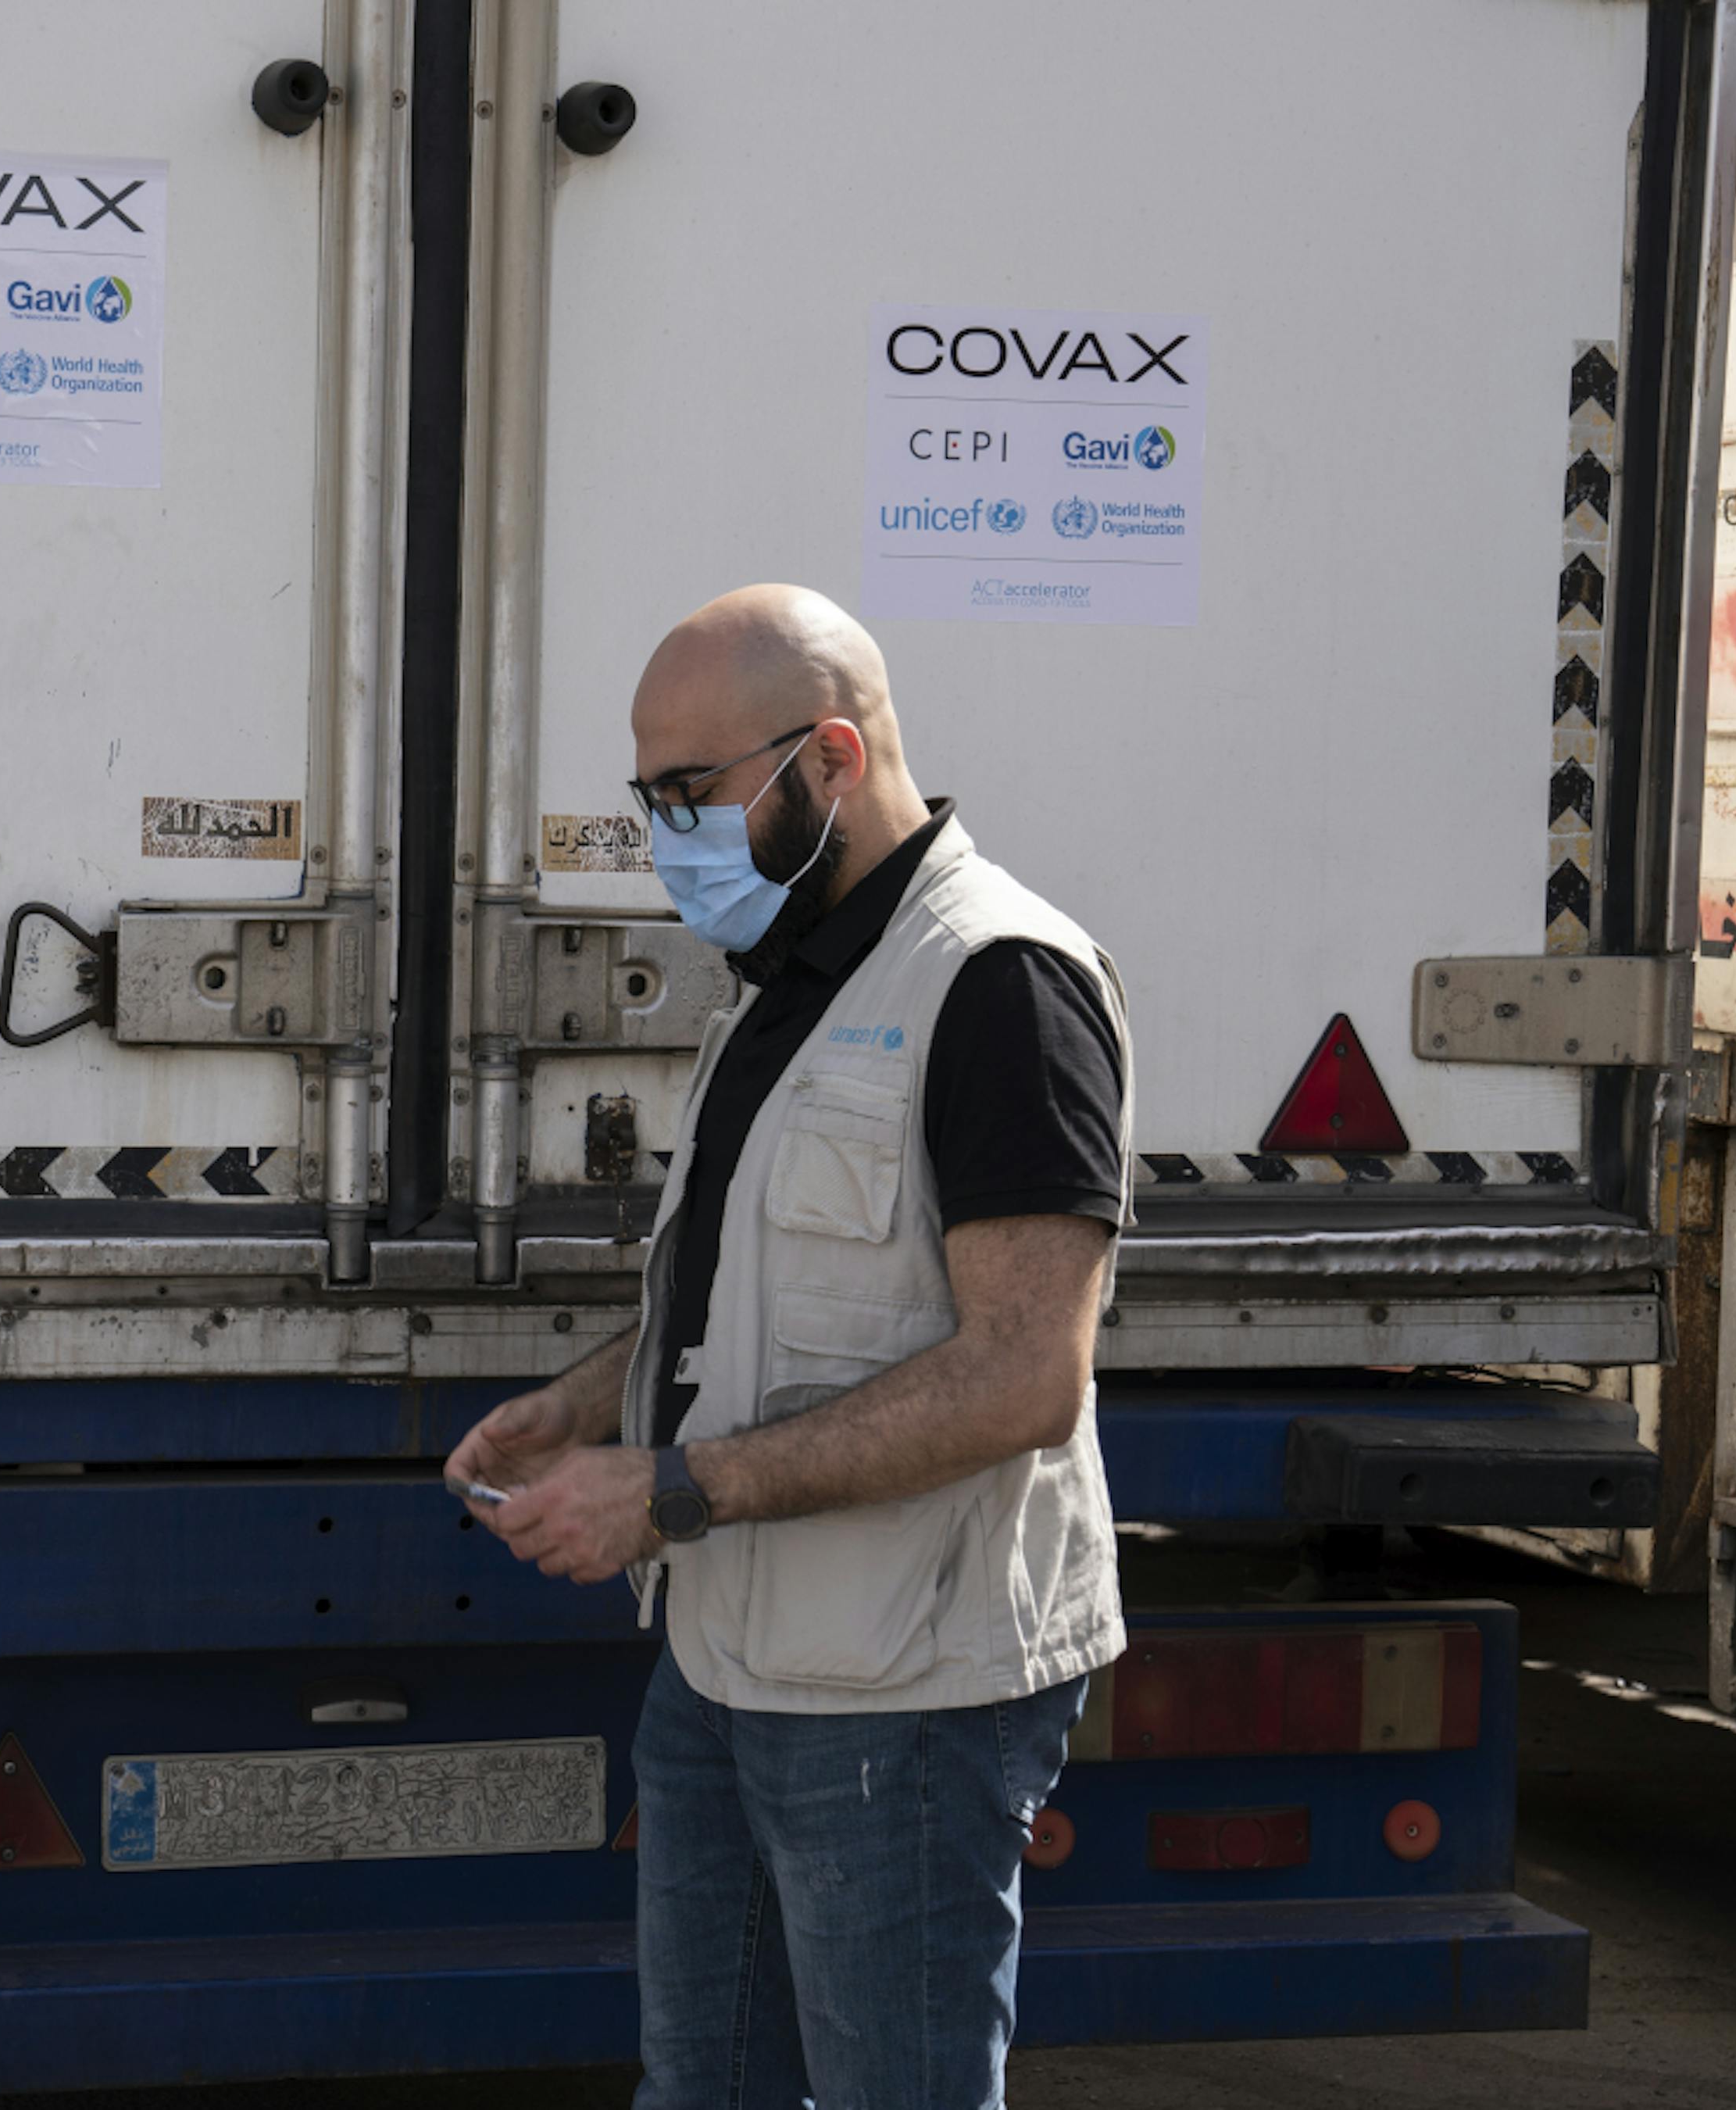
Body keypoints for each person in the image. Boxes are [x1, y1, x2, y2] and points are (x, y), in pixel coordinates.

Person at [446, 585, 1131, 2110]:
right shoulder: (790, 989)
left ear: (830, 756)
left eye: (690, 795)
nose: (665, 836)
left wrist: (670, 1491)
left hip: (905, 1698)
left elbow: (1025, 1372)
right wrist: (585, 1406)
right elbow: (757, 1289)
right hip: (735, 1661)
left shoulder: (1001, 986)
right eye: (649, 801)